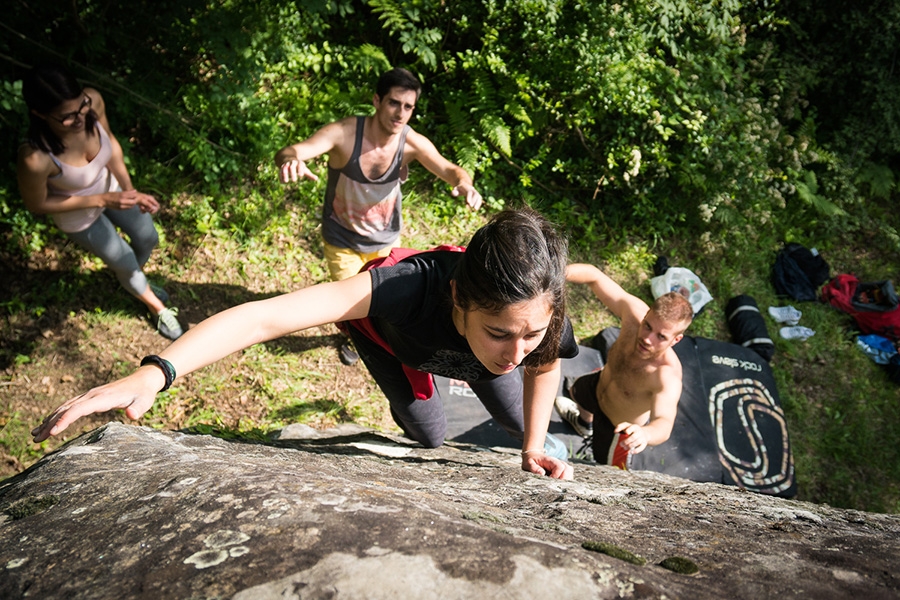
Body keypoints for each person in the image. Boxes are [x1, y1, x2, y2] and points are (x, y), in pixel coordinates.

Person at [32, 208, 576, 480]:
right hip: (396, 343)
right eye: (500, 332)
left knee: (517, 416)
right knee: (430, 436)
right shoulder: (408, 288)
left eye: (529, 333)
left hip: (452, 346)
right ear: (458, 295)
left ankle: (543, 421)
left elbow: (542, 361)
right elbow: (264, 319)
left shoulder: (536, 309)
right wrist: (155, 372)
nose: (516, 351)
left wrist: (530, 444)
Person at [274, 67, 483, 365]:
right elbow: (292, 150)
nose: (400, 113)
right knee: (350, 306)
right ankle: (354, 337)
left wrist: (464, 183)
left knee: (380, 302)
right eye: (393, 103)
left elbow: (449, 169)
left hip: (385, 241)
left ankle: (369, 337)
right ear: (376, 100)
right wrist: (290, 160)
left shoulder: (410, 143)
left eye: (408, 107)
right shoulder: (344, 134)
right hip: (342, 239)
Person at [17, 64, 184, 340]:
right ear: (39, 114)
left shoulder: (92, 100)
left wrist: (130, 191)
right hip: (78, 217)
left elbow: (113, 144)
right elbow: (38, 204)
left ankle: (134, 281)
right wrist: (101, 199)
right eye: (66, 117)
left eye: (80, 106)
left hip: (114, 193)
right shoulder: (35, 157)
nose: (80, 117)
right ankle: (156, 306)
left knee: (148, 237)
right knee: (125, 259)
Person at [555, 263, 693, 464]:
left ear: (675, 340)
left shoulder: (666, 374)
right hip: (598, 385)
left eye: (661, 336)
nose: (647, 339)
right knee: (577, 391)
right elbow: (595, 276)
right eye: (647, 326)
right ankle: (584, 423)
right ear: (645, 315)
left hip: (616, 426)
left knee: (606, 465)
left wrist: (645, 434)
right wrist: (555, 273)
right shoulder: (632, 315)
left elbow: (664, 423)